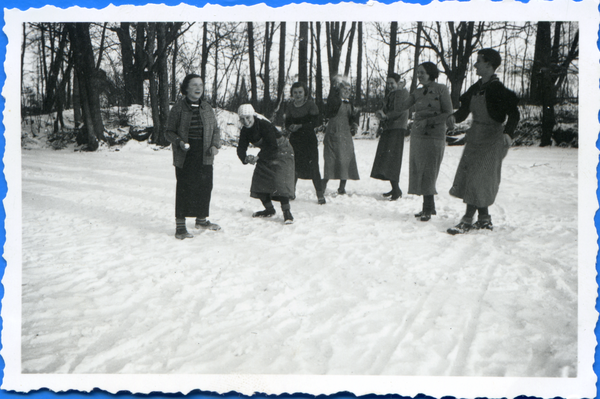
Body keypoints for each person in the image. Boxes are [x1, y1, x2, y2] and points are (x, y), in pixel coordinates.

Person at [447, 48, 520, 235]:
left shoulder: (498, 89)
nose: (475, 65)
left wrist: (508, 133)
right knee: (473, 176)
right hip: (475, 137)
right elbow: (463, 111)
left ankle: (467, 220)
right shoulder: (476, 87)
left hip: (493, 138)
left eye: (478, 61)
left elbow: (514, 113)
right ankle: (484, 219)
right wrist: (453, 118)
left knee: (479, 177)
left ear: (489, 64)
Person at [165, 74, 221, 240]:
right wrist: (179, 142)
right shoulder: (178, 108)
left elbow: (216, 130)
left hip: (205, 154)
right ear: (186, 88)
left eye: (201, 85)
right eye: (194, 85)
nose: (198, 88)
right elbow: (168, 132)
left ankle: (201, 220)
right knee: (184, 188)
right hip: (186, 155)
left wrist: (215, 145)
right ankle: (180, 227)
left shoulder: (207, 108)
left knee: (205, 186)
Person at [402, 62, 453, 221]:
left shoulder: (441, 89)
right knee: (420, 169)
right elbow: (402, 106)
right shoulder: (416, 92)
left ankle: (427, 208)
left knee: (429, 171)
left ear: (431, 73)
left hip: (434, 135)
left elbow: (448, 113)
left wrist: (428, 121)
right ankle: (429, 207)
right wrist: (398, 90)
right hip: (418, 135)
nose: (419, 75)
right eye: (418, 73)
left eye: (422, 72)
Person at [237, 104, 296, 224]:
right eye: (242, 119)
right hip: (267, 151)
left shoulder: (263, 124)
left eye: (248, 117)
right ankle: (269, 209)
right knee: (259, 180)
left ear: (253, 115)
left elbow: (273, 146)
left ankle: (287, 212)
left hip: (282, 151)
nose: (246, 121)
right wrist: (246, 158)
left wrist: (258, 157)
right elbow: (240, 148)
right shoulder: (245, 130)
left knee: (280, 181)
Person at [283, 82, 325, 204]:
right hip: (295, 140)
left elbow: (316, 122)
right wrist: (290, 127)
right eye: (295, 92)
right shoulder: (290, 106)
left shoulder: (311, 105)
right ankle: (291, 191)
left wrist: (300, 126)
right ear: (292, 93)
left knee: (313, 166)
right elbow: (287, 123)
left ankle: (320, 194)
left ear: (305, 93)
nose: (298, 95)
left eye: (300, 92)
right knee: (294, 166)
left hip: (308, 140)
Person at [371, 73, 410, 201]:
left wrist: (386, 116)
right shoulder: (392, 94)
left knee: (392, 158)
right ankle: (394, 188)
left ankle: (396, 189)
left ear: (399, 83)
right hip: (390, 128)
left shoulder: (402, 94)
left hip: (397, 128)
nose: (389, 86)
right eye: (387, 83)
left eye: (391, 83)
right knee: (387, 159)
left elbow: (399, 111)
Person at [322, 76, 360, 195]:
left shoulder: (350, 104)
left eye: (349, 90)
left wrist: (354, 124)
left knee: (345, 160)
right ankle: (322, 186)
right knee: (330, 160)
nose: (347, 92)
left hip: (345, 135)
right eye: (344, 89)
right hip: (333, 133)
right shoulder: (334, 101)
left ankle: (342, 187)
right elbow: (329, 109)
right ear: (339, 90)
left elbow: (353, 118)